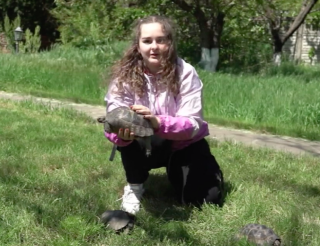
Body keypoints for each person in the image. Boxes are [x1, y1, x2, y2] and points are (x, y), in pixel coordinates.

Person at [104, 15, 224, 215]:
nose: (154, 47)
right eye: (147, 41)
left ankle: (193, 172)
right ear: (138, 45)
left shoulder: (185, 72)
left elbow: (193, 123)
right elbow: (113, 114)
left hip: (181, 143)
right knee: (129, 133)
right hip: (141, 143)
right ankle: (135, 185)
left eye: (161, 40)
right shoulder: (124, 75)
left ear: (170, 43)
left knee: (205, 201)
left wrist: (158, 122)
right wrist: (120, 135)